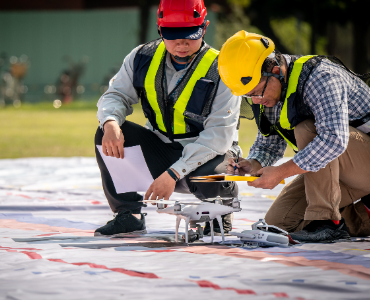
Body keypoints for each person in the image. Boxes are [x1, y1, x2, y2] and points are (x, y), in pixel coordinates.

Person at [94, 0, 241, 236]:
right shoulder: (141, 57)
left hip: (208, 153)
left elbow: (218, 137)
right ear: (160, 29)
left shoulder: (222, 68)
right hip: (160, 147)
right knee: (105, 133)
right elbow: (116, 95)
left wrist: (174, 173)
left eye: (190, 36)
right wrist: (110, 121)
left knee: (212, 173)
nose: (181, 44)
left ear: (204, 27)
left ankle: (219, 212)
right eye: (173, 36)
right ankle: (128, 215)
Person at [218, 30, 370, 243]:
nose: (255, 101)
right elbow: (269, 145)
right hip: (344, 169)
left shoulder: (322, 78)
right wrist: (253, 164)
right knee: (277, 224)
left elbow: (333, 140)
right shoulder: (270, 91)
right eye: (248, 96)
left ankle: (326, 222)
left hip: (360, 160)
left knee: (308, 129)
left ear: (274, 69)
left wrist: (280, 172)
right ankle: (361, 217)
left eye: (256, 92)